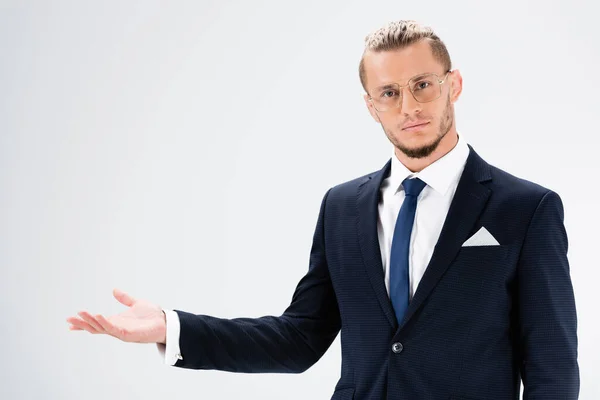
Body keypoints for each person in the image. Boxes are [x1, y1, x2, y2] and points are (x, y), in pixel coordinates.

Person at [66, 20, 580, 399]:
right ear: (370, 105)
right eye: (390, 92)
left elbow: (552, 367)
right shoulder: (343, 208)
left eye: (423, 84)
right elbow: (299, 338)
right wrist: (171, 326)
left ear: (453, 84)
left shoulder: (526, 209)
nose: (409, 107)